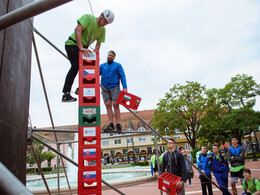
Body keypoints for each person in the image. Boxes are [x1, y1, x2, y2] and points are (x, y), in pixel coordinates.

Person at [62, 9, 114, 102]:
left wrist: (95, 59)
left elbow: (98, 46)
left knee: (90, 67)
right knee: (76, 66)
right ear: (101, 15)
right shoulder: (88, 18)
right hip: (72, 44)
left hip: (83, 50)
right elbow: (77, 29)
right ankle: (66, 94)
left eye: (107, 23)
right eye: (105, 20)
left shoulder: (103, 30)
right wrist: (81, 47)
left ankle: (81, 88)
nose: (105, 23)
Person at [100, 50, 127, 133]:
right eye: (109, 55)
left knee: (116, 104)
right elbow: (94, 73)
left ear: (114, 57)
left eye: (111, 56)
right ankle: (111, 124)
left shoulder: (117, 65)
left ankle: (118, 124)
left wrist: (125, 87)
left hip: (114, 87)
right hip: (104, 88)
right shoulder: (102, 66)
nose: (110, 56)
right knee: (108, 105)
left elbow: (122, 76)